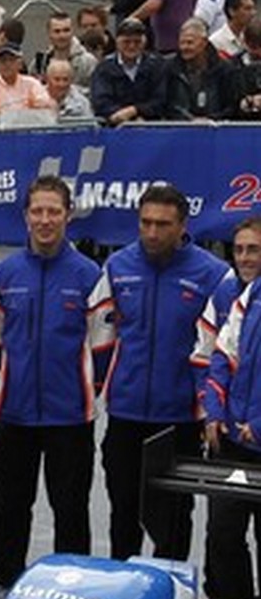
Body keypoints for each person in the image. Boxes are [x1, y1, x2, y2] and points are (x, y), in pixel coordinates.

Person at [90, 182, 233, 562]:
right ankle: (122, 587)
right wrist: (99, 389)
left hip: (179, 419)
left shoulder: (214, 274)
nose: (152, 232)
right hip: (125, 414)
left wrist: (211, 410)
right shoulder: (117, 267)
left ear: (183, 225)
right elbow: (100, 338)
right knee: (123, 513)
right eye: (146, 223)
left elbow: (221, 351)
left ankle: (171, 588)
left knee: (172, 518)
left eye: (163, 224)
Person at [0, 175, 109, 590]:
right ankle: (6, 581)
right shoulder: (3, 275)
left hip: (70, 416)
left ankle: (74, 586)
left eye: (53, 211)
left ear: (68, 215)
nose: (45, 219)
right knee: (11, 505)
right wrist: (18, 377)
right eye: (37, 211)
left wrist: (81, 389)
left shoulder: (89, 275)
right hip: (15, 413)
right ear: (25, 216)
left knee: (70, 508)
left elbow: (102, 343)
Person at [202, 217, 261, 599]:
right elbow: (221, 357)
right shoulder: (243, 297)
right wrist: (214, 414)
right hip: (233, 444)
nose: (245, 257)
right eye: (239, 249)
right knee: (223, 533)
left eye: (253, 249)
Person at [92, 15, 167, 123]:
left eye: (137, 42)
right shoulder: (104, 68)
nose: (132, 46)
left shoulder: (157, 66)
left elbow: (160, 100)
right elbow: (101, 101)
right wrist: (122, 115)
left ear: (144, 42)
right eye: (126, 42)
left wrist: (135, 110)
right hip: (114, 125)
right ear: (117, 42)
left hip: (150, 125)